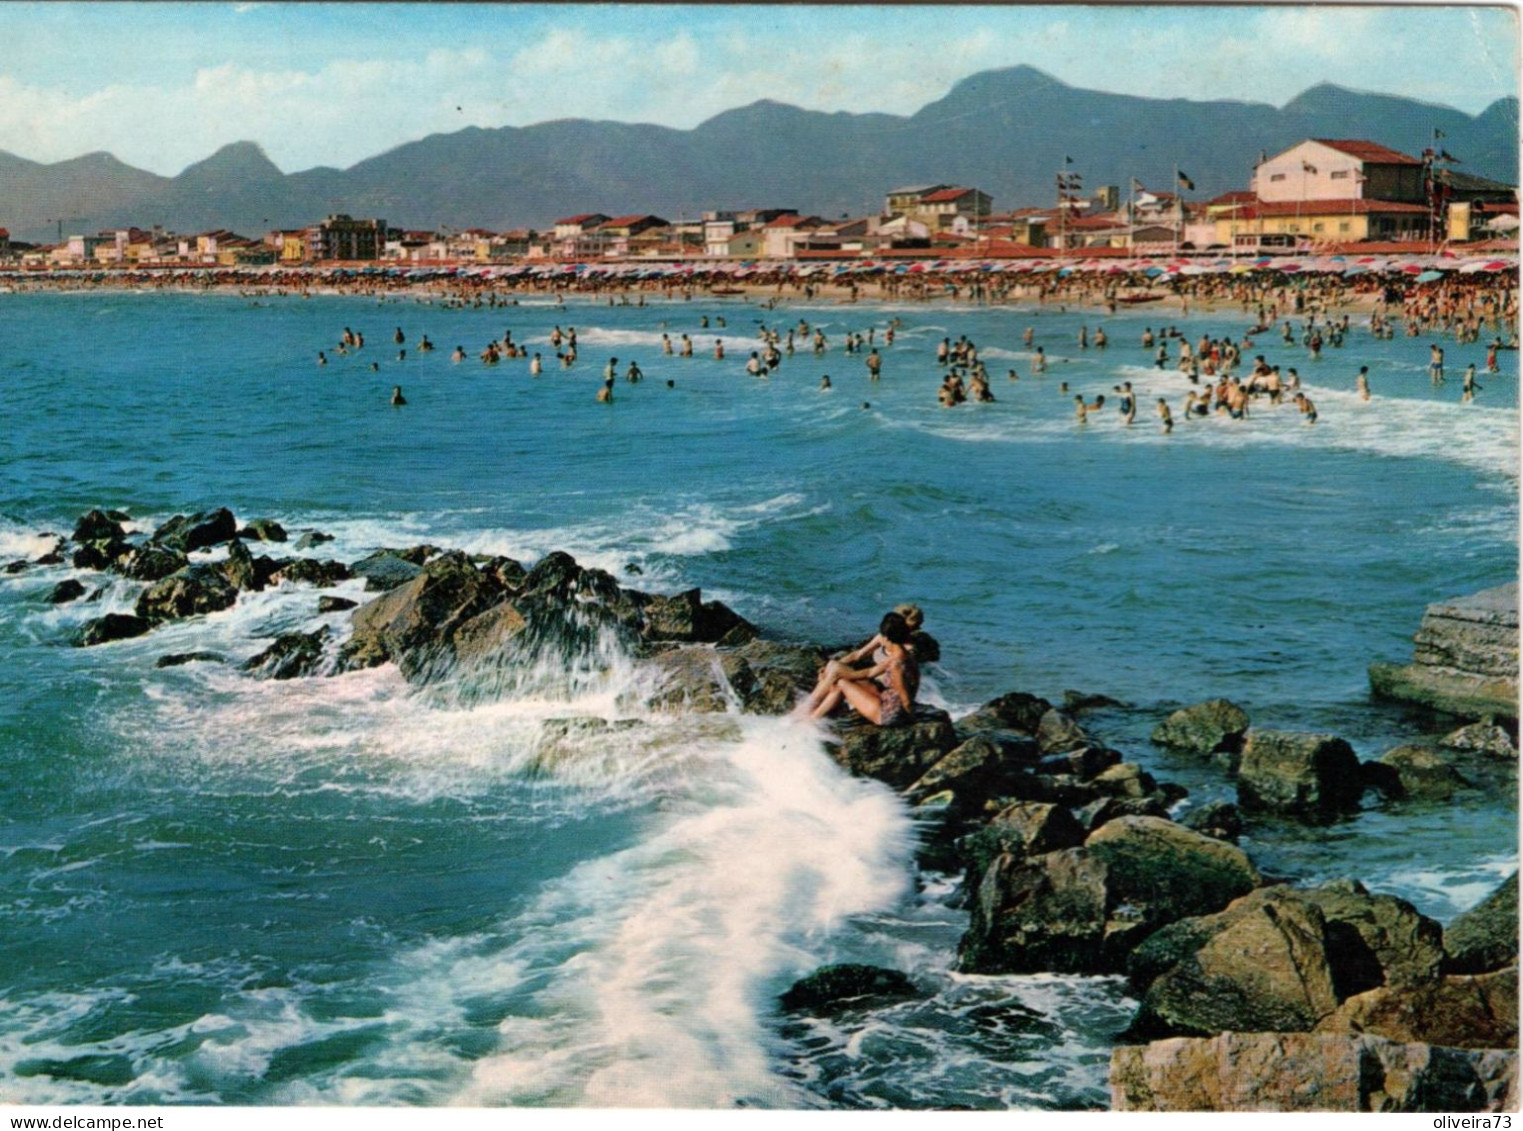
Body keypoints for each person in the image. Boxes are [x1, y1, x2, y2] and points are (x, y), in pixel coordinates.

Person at [796, 612, 919, 726]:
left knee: (841, 684)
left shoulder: (896, 663)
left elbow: (906, 699)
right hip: (886, 698)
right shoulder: (902, 655)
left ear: (886, 638)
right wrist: (841, 673)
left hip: (887, 713)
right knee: (838, 672)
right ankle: (808, 714)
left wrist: (912, 721)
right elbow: (870, 672)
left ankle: (809, 720)